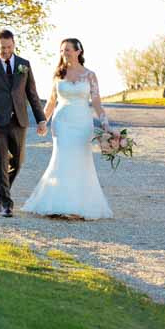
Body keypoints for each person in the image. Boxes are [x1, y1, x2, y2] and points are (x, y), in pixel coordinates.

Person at [22, 38, 113, 219]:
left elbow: (96, 103)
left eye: (68, 50)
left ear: (79, 51)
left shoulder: (90, 75)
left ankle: (78, 206)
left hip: (82, 123)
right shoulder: (58, 74)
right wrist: (43, 121)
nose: (65, 53)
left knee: (80, 160)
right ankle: (58, 204)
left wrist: (106, 126)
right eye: (62, 50)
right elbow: (51, 102)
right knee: (62, 159)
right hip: (62, 122)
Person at [0, 29, 47, 217]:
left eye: (8, 47)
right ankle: (5, 204)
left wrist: (41, 119)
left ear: (14, 44)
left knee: (18, 161)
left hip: (19, 121)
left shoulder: (24, 65)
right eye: (2, 48)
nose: (5, 51)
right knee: (1, 161)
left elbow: (32, 94)